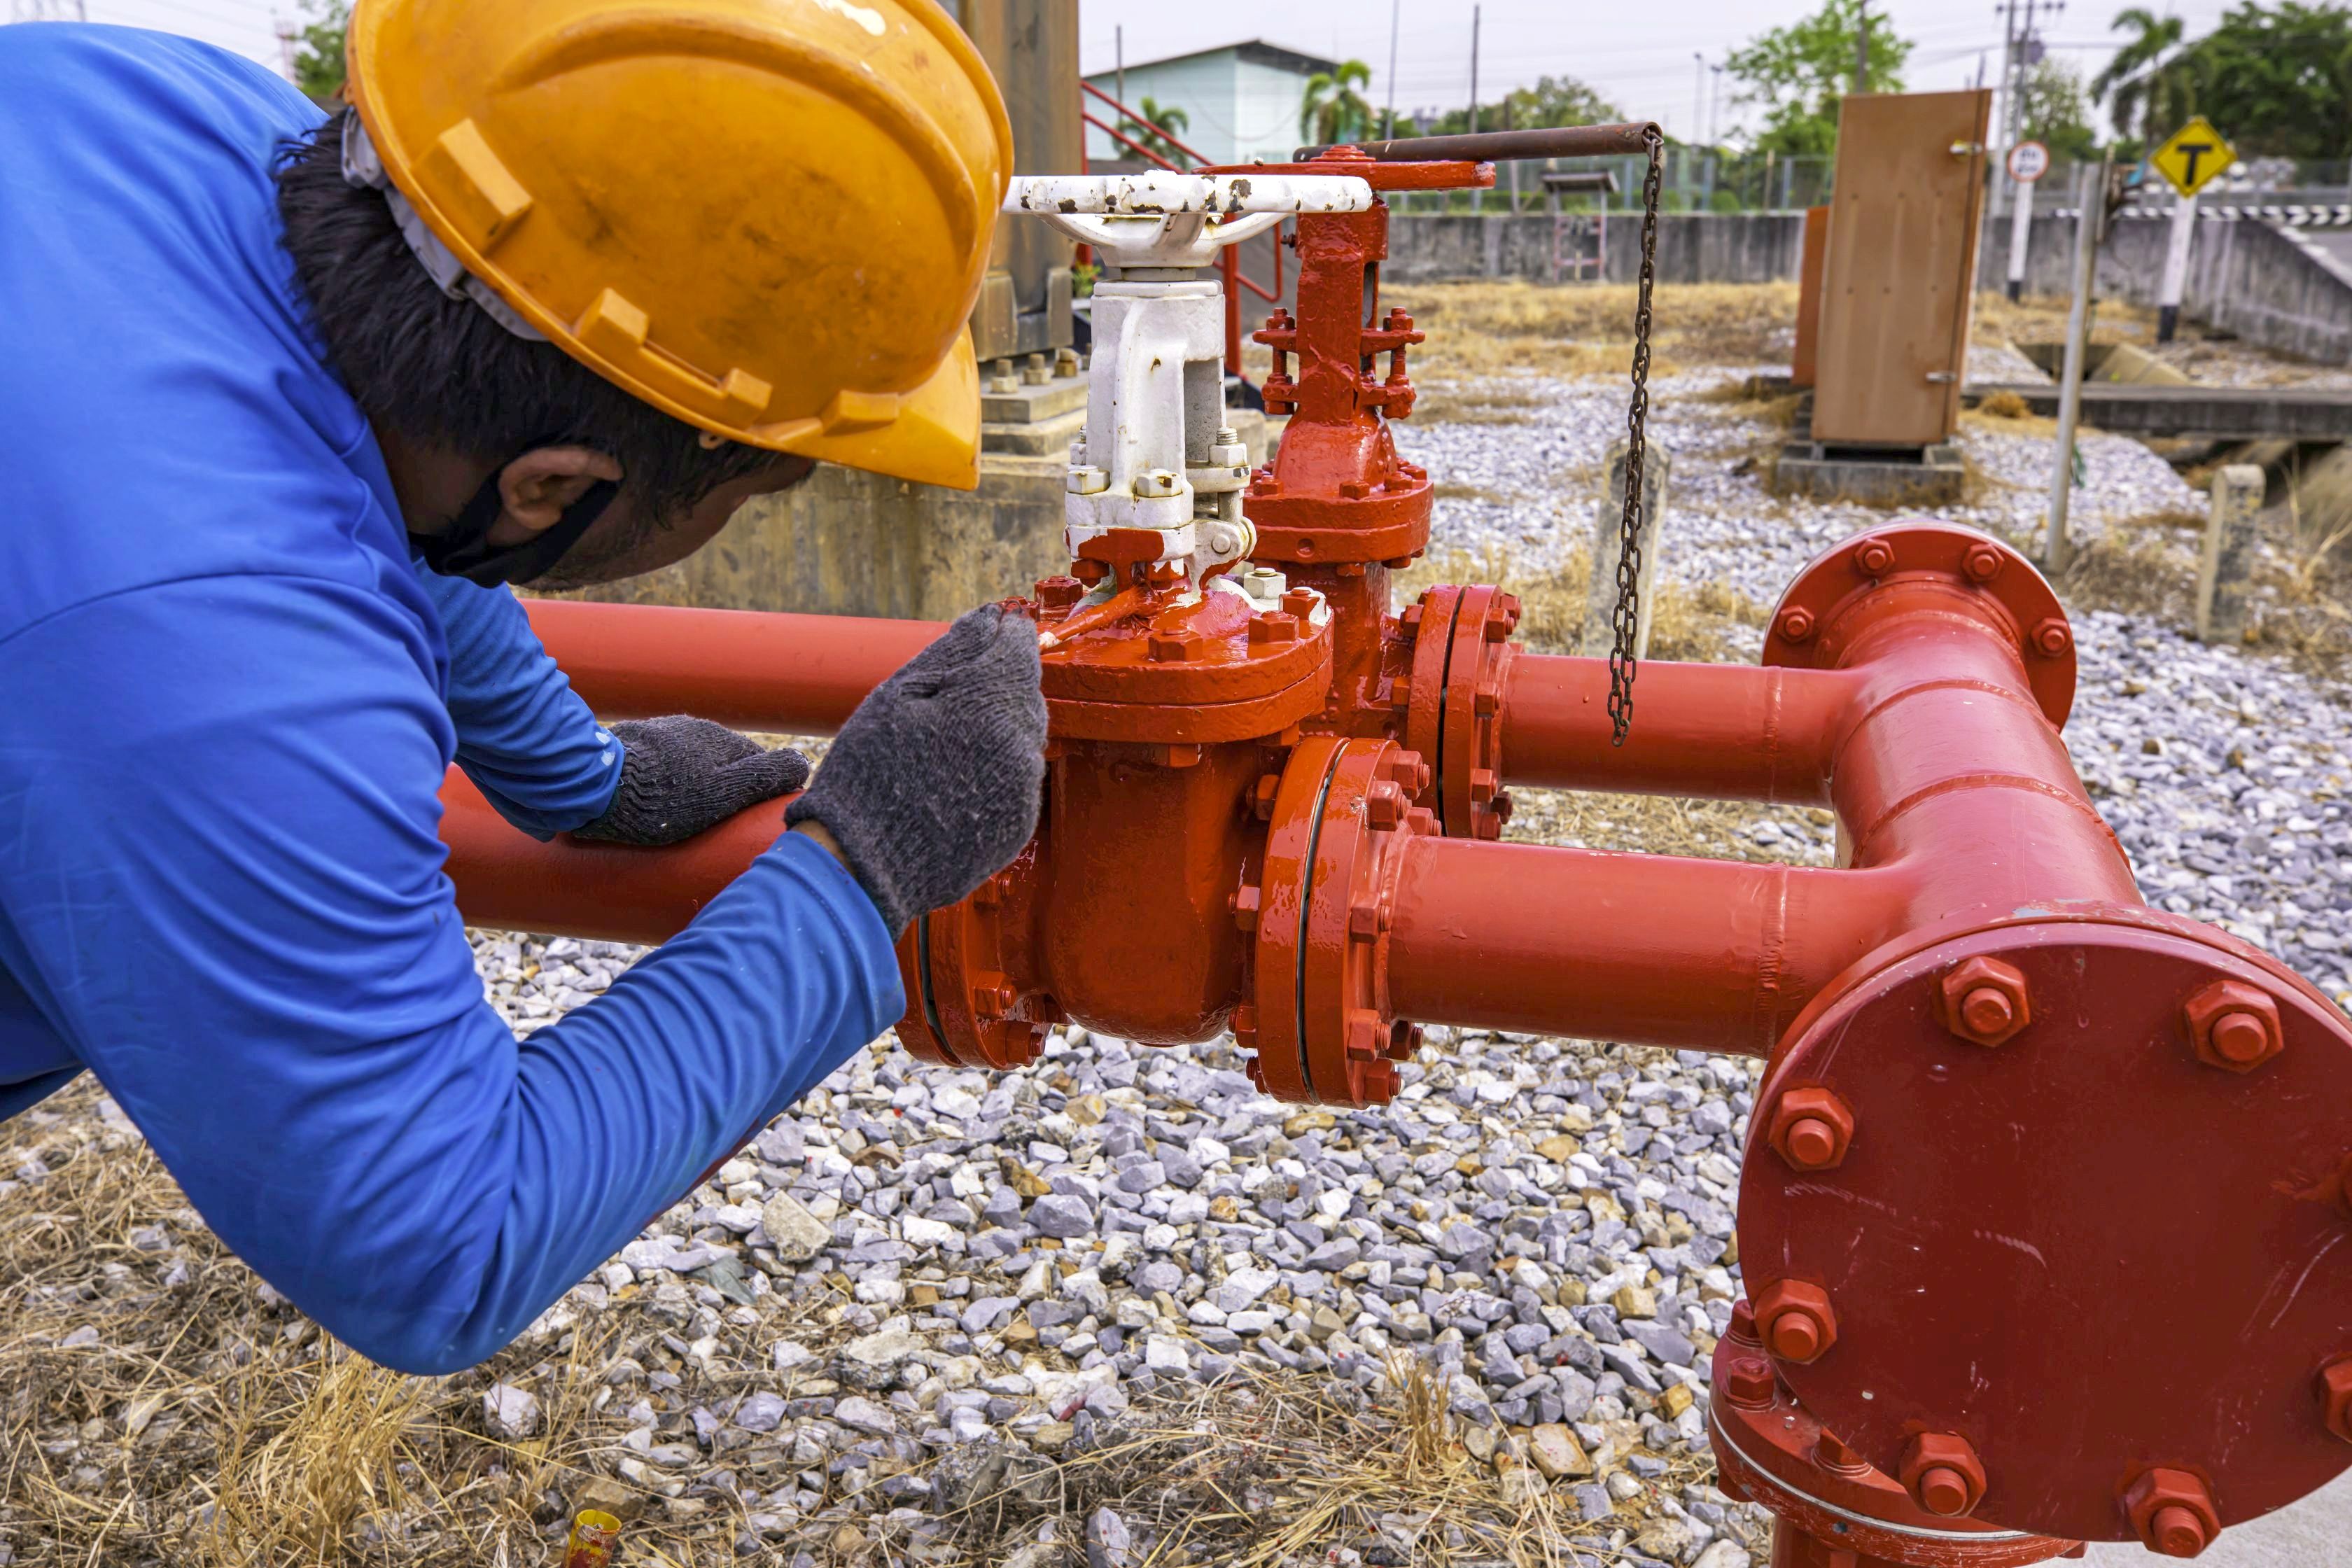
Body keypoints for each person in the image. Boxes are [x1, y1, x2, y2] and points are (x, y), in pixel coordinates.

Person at [0, 5, 1046, 1374]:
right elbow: (435, 1242)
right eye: (754, 489)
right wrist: (864, 869)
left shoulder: (165, 105)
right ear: (556, 487)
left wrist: (578, 773)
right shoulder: (205, 660)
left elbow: (365, 459)